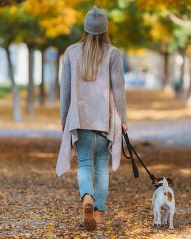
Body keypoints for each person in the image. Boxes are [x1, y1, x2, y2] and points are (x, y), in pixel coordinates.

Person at [55, 5, 128, 231]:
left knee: (85, 163)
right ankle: (99, 214)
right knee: (101, 165)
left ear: (85, 27)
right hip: (105, 118)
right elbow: (119, 89)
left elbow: (65, 89)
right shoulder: (113, 53)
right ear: (105, 28)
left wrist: (63, 117)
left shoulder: (71, 52)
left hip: (79, 117)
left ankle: (87, 196)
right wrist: (124, 118)